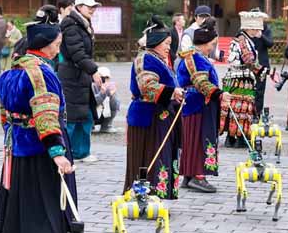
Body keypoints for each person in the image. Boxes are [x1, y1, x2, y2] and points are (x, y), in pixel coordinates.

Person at [0, 22, 77, 233]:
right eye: (57, 43)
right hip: (41, 147)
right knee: (45, 202)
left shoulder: (12, 71)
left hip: (17, 145)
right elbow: (45, 114)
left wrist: (14, 133)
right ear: (46, 44)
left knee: (22, 202)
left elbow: (4, 114)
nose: (59, 47)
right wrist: (57, 151)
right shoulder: (41, 74)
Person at [124, 15, 183, 199]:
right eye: (166, 43)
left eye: (170, 43)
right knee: (149, 157)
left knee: (160, 157)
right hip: (148, 119)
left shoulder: (158, 59)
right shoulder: (145, 58)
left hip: (161, 118)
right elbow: (147, 87)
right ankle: (144, 194)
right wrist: (173, 92)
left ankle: (157, 193)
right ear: (155, 42)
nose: (168, 48)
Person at [178, 18, 231, 192]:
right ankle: (198, 176)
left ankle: (188, 175)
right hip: (199, 105)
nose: (212, 48)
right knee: (201, 139)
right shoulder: (197, 59)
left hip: (193, 105)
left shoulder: (194, 56)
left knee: (192, 139)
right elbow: (201, 82)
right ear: (203, 43)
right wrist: (219, 94)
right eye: (211, 44)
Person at [58, 0, 103, 163]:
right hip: (71, 76)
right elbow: (77, 53)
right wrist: (94, 70)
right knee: (72, 117)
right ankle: (68, 152)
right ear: (78, 7)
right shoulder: (71, 25)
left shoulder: (82, 24)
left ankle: (81, 152)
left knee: (85, 115)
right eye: (88, 6)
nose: (92, 9)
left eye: (94, 6)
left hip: (80, 76)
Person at [221, 10, 268, 147]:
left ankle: (232, 138)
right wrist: (264, 70)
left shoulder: (242, 39)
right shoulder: (243, 41)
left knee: (235, 108)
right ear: (250, 28)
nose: (258, 31)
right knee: (243, 108)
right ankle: (240, 138)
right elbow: (249, 61)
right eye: (256, 28)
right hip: (242, 79)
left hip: (236, 78)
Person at [251, 9, 274, 116]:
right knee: (248, 89)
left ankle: (257, 113)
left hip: (262, 64)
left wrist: (261, 36)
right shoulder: (245, 30)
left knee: (260, 91)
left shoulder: (266, 29)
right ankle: (248, 112)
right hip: (248, 64)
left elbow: (270, 44)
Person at [92, 66, 121, 133]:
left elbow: (116, 106)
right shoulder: (92, 86)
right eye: (103, 78)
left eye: (107, 78)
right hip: (93, 116)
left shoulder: (111, 86)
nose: (104, 80)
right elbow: (93, 103)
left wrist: (112, 94)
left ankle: (106, 126)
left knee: (114, 100)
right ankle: (91, 126)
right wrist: (102, 93)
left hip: (105, 115)